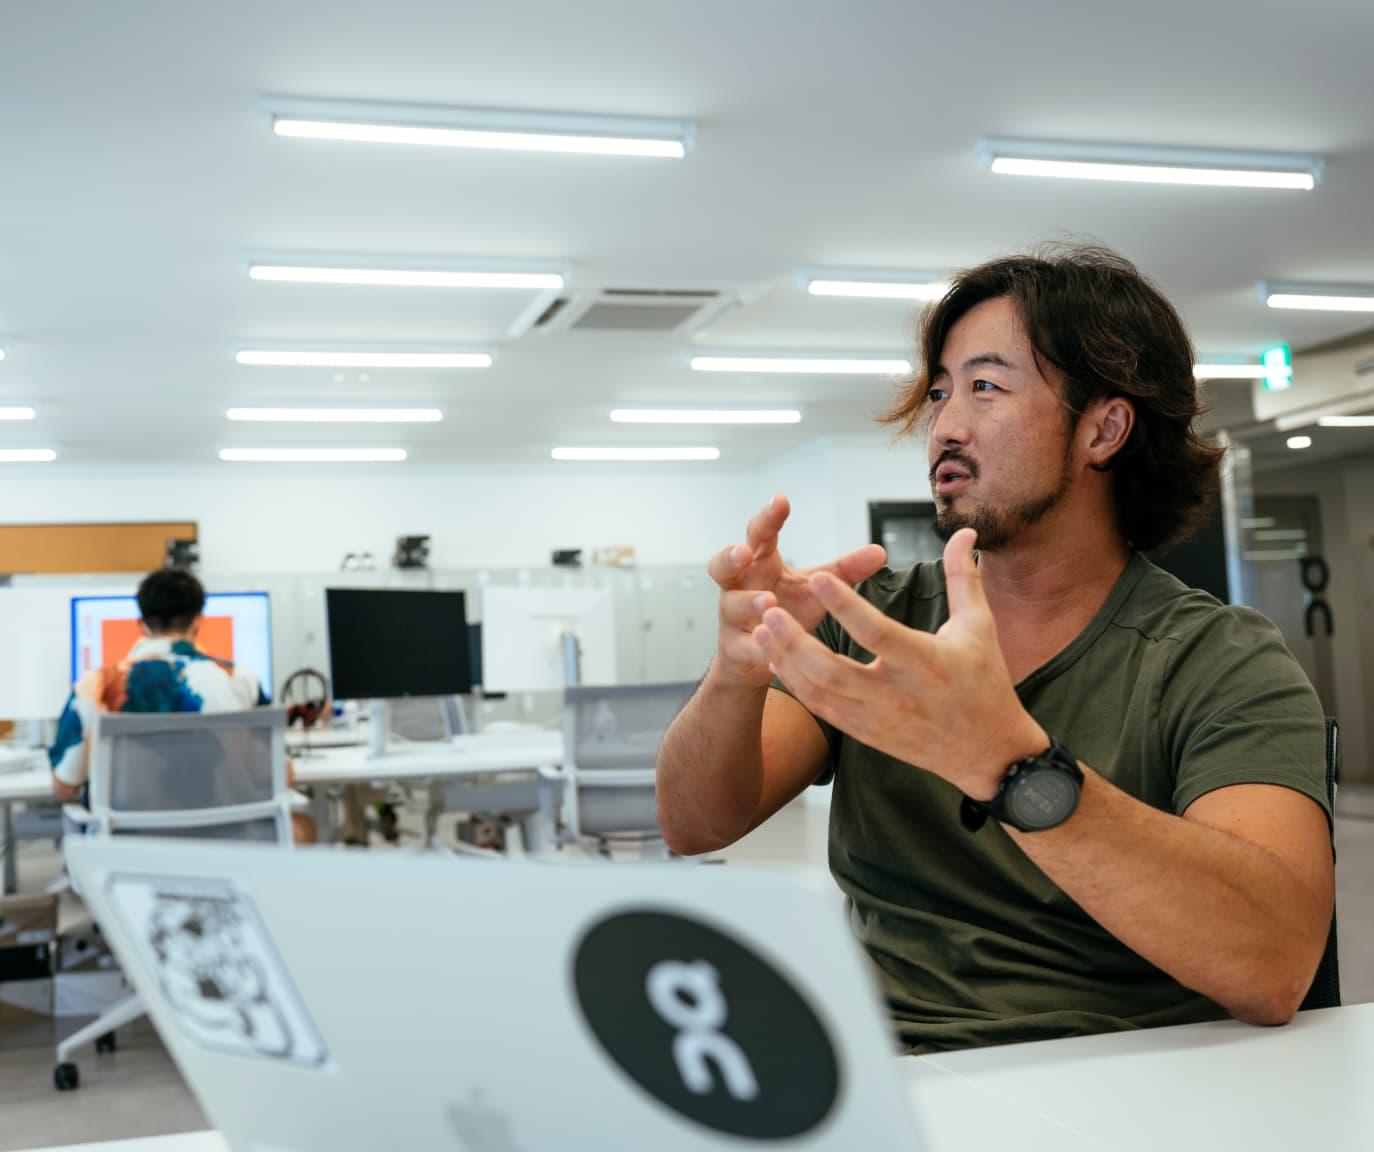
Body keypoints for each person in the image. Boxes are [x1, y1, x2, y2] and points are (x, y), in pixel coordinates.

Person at [656, 244, 1334, 1055]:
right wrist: (735, 671)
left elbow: (1273, 964)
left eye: (985, 386)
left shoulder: (1217, 660)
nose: (944, 425)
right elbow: (693, 823)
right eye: (940, 392)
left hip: (1115, 1078)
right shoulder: (876, 620)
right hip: (882, 1068)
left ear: (1104, 428)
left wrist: (1009, 764)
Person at [50, 568, 315, 842]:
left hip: (130, 852)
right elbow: (280, 775)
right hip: (227, 846)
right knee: (306, 828)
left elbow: (64, 787)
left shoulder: (97, 686)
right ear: (198, 622)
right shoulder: (241, 680)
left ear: (141, 625)